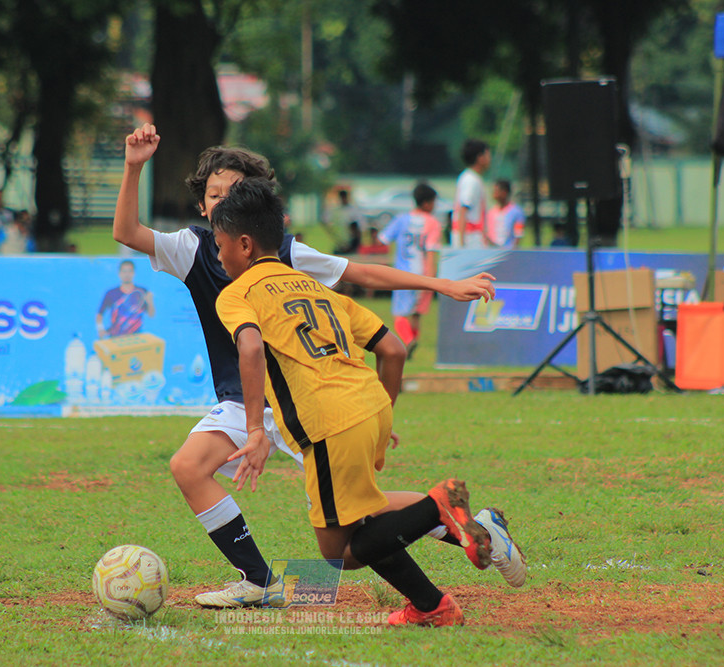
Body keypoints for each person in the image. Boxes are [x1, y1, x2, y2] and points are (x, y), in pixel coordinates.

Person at [111, 123, 502, 609]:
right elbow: (126, 232)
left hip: (304, 402)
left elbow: (361, 272)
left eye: (233, 192)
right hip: (247, 400)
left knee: (355, 523)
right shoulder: (193, 248)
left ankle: (460, 532)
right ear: (202, 205)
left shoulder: (287, 252)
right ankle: (258, 579)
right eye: (213, 195)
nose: (222, 202)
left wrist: (442, 286)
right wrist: (133, 166)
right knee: (188, 466)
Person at [212, 177, 524, 626]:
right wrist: (382, 414)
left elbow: (251, 348)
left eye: (220, 245)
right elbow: (394, 349)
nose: (219, 257)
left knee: (339, 552)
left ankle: (438, 507)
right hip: (371, 404)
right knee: (366, 517)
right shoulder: (318, 289)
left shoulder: (237, 294)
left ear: (243, 245)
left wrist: (257, 431)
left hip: (327, 422)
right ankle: (432, 606)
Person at [378, 183, 443, 358]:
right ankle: (412, 345)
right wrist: (432, 276)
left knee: (399, 314)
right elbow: (431, 251)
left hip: (403, 273)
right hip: (423, 272)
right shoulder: (433, 223)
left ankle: (408, 340)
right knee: (416, 313)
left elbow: (383, 238)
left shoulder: (401, 219)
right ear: (428, 203)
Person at [96, 259, 155, 338]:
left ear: (133, 273)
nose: (127, 274)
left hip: (136, 339)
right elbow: (100, 314)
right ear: (119, 273)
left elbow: (151, 315)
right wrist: (100, 329)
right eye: (124, 271)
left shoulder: (142, 291)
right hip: (115, 338)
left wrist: (150, 302)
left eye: (129, 271)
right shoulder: (111, 293)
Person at [453, 139, 491, 249]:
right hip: (470, 240)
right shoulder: (471, 180)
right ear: (480, 158)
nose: (490, 159)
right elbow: (463, 209)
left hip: (473, 238)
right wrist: (461, 245)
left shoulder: (472, 178)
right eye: (488, 155)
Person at [485, 179, 526, 248]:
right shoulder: (490, 212)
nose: (494, 194)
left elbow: (518, 233)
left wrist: (512, 250)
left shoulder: (516, 211)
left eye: (496, 191)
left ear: (504, 192)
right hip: (493, 252)